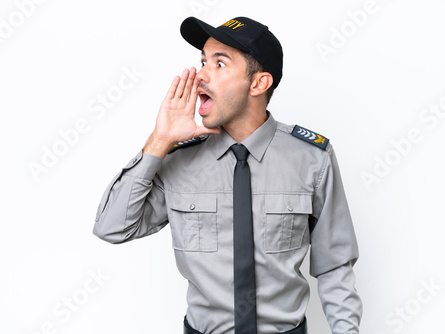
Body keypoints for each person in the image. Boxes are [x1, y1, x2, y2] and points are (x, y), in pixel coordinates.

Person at [93, 16, 362, 334]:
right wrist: (159, 141)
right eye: (203, 61)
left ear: (258, 83)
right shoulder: (179, 159)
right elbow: (112, 228)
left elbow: (335, 266)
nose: (200, 75)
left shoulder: (312, 159)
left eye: (219, 64)